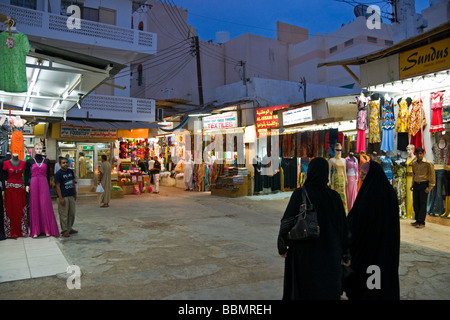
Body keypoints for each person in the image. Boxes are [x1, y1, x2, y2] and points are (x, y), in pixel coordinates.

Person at [278, 157, 350, 300]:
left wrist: (282, 246)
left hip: (304, 253)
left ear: (310, 172)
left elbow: (287, 220)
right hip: (330, 253)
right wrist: (345, 254)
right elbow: (343, 226)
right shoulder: (334, 196)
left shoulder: (300, 193)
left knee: (305, 290)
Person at [345, 160, 400, 300]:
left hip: (369, 248)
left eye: (363, 175)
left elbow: (358, 222)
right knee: (381, 278)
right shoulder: (390, 194)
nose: (361, 178)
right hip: (385, 247)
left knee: (369, 279)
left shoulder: (368, 196)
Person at [25, 142, 59, 238]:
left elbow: (48, 175)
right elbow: (27, 174)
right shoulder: (30, 161)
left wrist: (48, 186)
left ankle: (47, 228)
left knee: (45, 205)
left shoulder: (46, 161)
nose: (39, 150)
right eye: (37, 148)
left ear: (42, 149)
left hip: (44, 183)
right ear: (34, 149)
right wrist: (26, 185)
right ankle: (35, 230)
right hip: (34, 183)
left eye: (40, 148)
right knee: (35, 205)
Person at [410, 147, 436, 228]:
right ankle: (417, 220)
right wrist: (412, 184)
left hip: (424, 184)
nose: (419, 155)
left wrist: (430, 187)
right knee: (416, 203)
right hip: (416, 184)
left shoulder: (428, 164)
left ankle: (421, 222)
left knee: (422, 203)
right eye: (417, 154)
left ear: (423, 154)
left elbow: (432, 176)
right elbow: (414, 174)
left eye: (420, 154)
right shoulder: (414, 163)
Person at [54, 157, 77, 238]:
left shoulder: (70, 171)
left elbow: (73, 182)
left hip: (71, 195)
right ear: (60, 164)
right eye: (63, 163)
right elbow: (57, 186)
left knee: (72, 214)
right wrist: (60, 198)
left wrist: (75, 193)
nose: (65, 164)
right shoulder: (58, 174)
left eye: (66, 162)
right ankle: (64, 230)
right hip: (63, 196)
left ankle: (69, 228)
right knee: (64, 214)